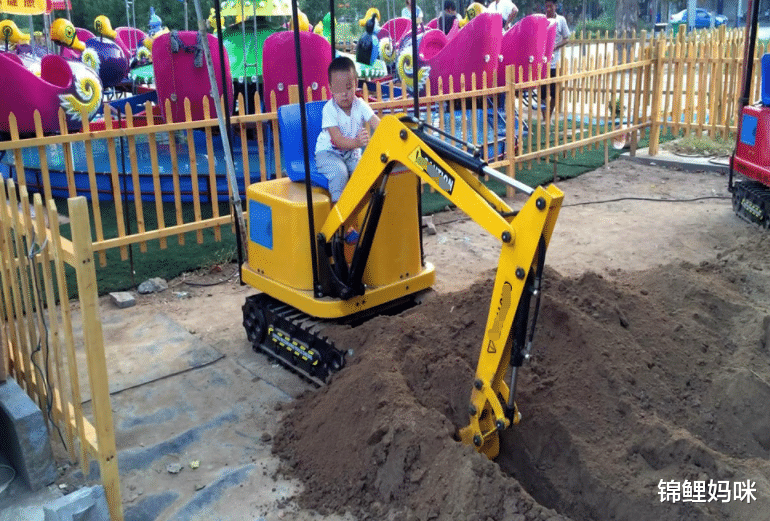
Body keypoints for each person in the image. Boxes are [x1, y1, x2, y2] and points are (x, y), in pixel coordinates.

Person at [315, 57, 381, 203]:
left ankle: (360, 213)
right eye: (339, 89)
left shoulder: (360, 105)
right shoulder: (329, 110)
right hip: (328, 153)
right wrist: (357, 142)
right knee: (340, 173)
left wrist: (388, 131)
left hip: (351, 154)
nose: (344, 93)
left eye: (349, 87)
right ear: (331, 88)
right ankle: (338, 216)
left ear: (356, 84)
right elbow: (337, 140)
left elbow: (377, 123)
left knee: (364, 172)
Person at [541, 0, 570, 119]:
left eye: (551, 6)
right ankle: (544, 117)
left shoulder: (561, 20)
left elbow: (566, 38)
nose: (548, 9)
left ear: (555, 6)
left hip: (554, 63)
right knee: (542, 93)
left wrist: (555, 46)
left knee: (554, 92)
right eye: (546, 6)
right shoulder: (542, 19)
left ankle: (549, 115)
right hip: (542, 63)